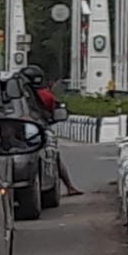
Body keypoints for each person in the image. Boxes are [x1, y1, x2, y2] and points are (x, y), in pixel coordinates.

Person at [20, 65, 83, 197]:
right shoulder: (46, 95)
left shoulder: (17, 96)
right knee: (55, 156)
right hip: (41, 129)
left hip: (20, 133)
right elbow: (53, 109)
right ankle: (69, 186)